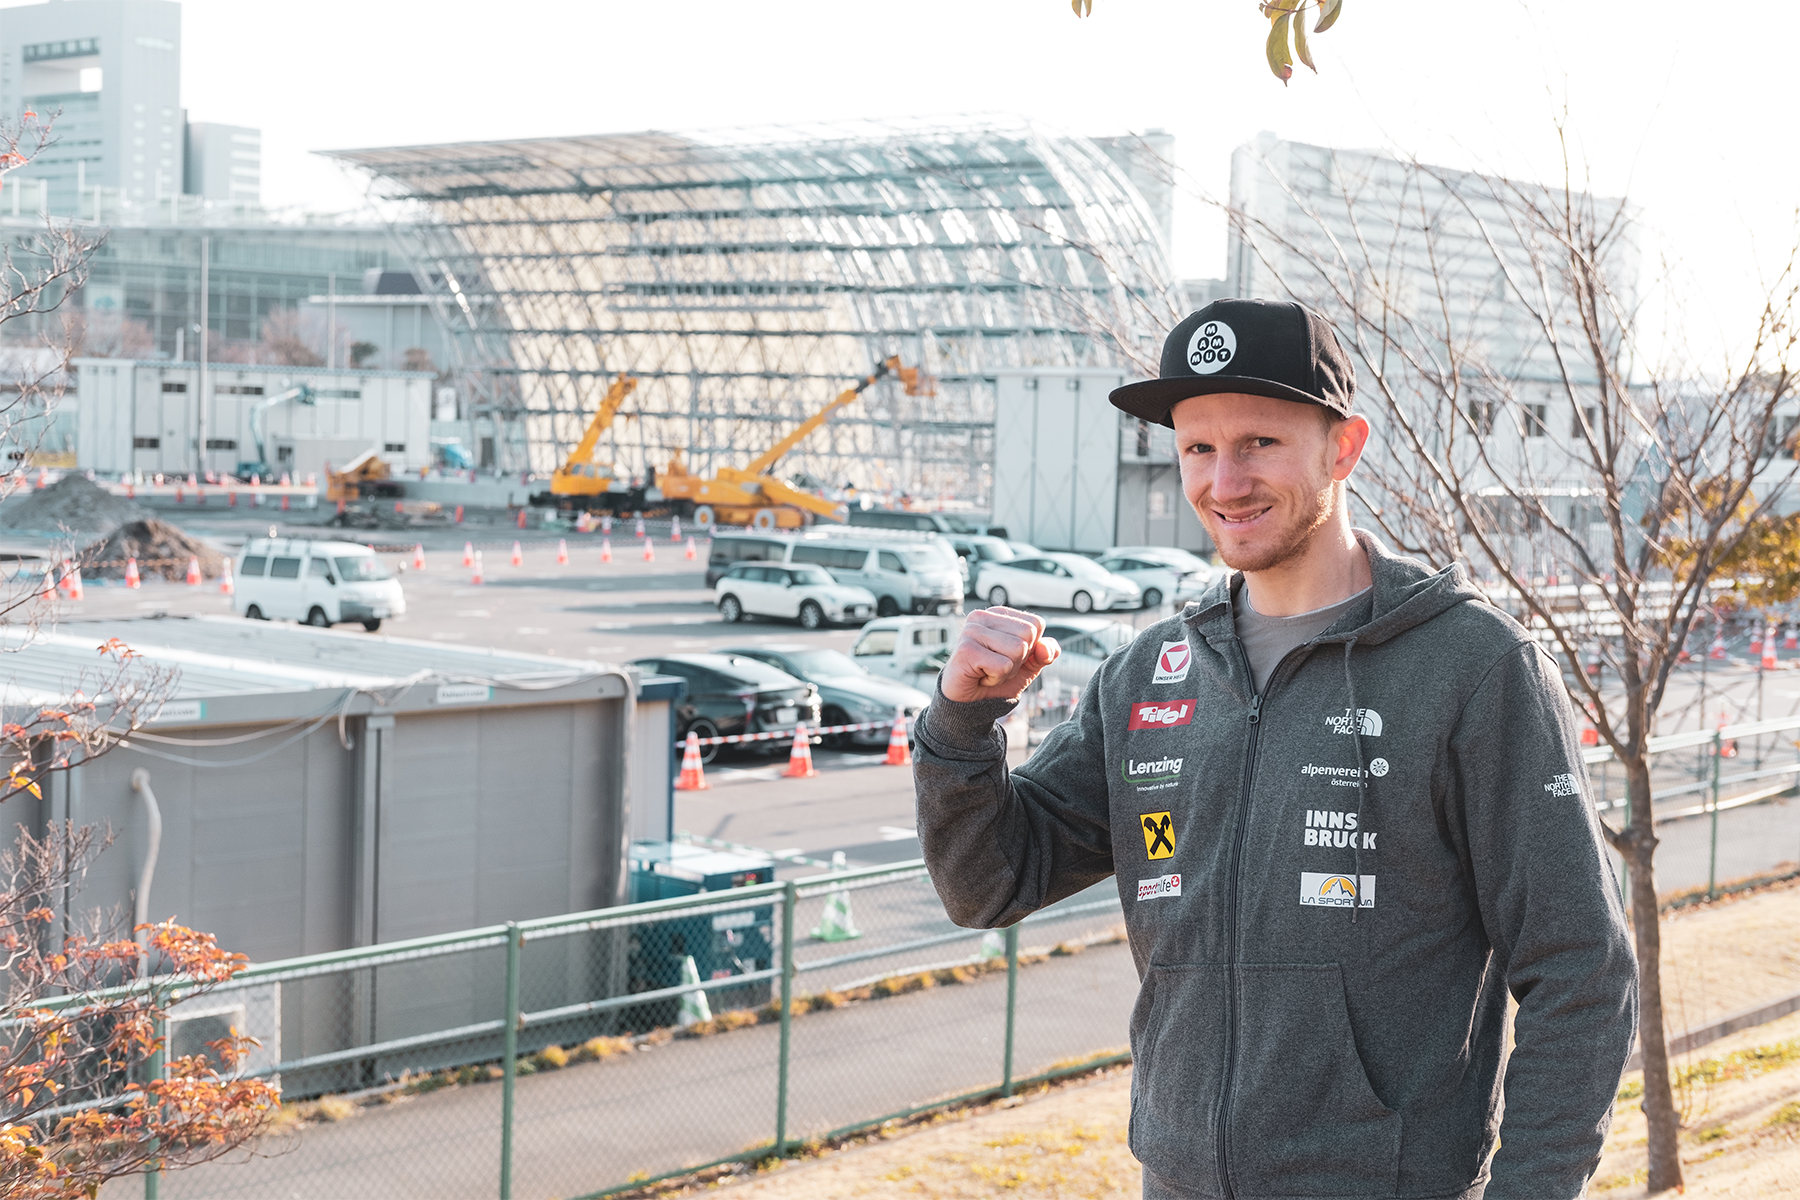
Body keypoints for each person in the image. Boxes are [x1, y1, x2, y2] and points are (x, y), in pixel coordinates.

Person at [913, 298, 1637, 1200]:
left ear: (1343, 447)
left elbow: (1581, 972)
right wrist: (961, 726)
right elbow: (988, 882)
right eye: (1197, 449)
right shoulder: (1149, 673)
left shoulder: (1475, 668)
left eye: (1259, 442)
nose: (1224, 482)